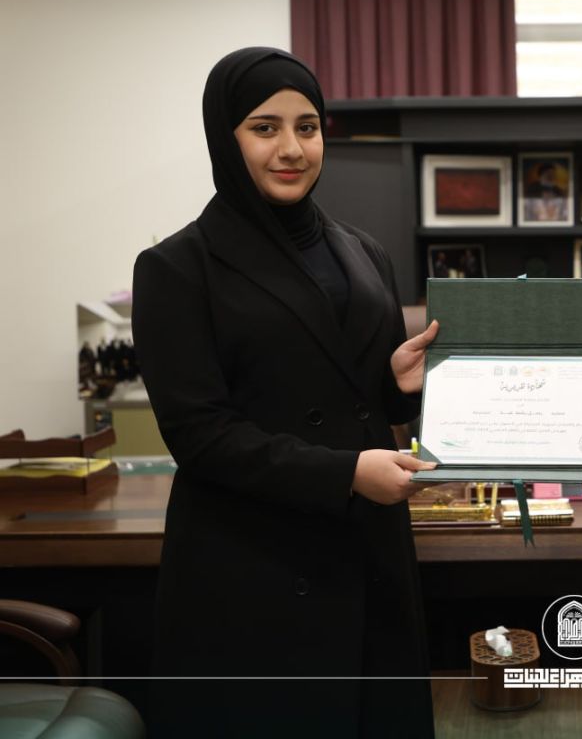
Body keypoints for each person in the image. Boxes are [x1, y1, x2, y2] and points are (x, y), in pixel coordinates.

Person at [132, 46, 439, 738]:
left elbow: (361, 396)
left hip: (367, 553)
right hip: (253, 564)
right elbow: (200, 435)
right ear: (225, 136)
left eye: (308, 127)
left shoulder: (364, 251)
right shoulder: (176, 267)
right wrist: (346, 473)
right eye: (264, 127)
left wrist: (398, 388)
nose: (292, 148)